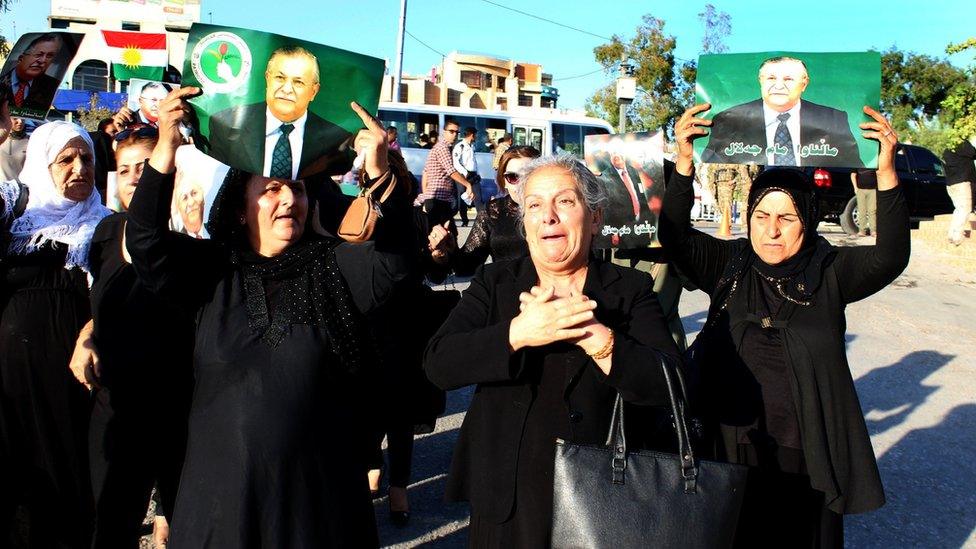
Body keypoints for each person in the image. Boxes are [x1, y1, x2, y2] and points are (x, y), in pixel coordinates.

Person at [125, 86, 413, 547]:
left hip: (318, 508)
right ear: (240, 208)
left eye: (296, 189)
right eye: (272, 189)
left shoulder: (335, 265)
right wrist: (164, 150)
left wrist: (379, 177)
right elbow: (145, 244)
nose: (287, 199)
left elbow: (395, 265)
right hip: (223, 504)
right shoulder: (212, 270)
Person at [660, 103, 908, 547]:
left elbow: (890, 256)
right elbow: (674, 236)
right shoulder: (728, 263)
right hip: (729, 445)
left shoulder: (830, 271)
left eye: (787, 217)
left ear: (808, 222)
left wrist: (886, 172)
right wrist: (683, 161)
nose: (771, 230)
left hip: (806, 450)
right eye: (761, 216)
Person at [424, 153, 680, 546]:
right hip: (507, 500)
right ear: (524, 223)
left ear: (594, 218)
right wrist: (518, 332)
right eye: (535, 205)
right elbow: (439, 363)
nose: (549, 216)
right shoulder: (495, 282)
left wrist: (595, 335)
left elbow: (669, 383)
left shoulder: (629, 289)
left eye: (565, 201)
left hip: (602, 499)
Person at [0, 117, 111, 548]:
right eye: (65, 159)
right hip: (10, 384)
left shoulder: (104, 227)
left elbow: (116, 293)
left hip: (69, 384)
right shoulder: (15, 224)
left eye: (87, 157)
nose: (80, 167)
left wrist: (90, 329)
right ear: (41, 166)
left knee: (66, 485)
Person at [86, 126, 195, 549]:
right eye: (124, 168)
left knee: (191, 521)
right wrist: (87, 334)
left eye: (144, 166)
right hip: (117, 406)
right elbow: (99, 299)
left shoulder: (192, 235)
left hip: (181, 406)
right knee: (111, 523)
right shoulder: (105, 232)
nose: (134, 177)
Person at [208, 45, 349, 179]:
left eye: (298, 82)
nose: (287, 89)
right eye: (280, 78)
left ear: (313, 91)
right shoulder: (224, 124)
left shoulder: (338, 141)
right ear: (267, 79)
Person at [701, 56, 863, 168]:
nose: (779, 86)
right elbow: (708, 164)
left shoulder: (833, 120)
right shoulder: (729, 121)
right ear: (761, 81)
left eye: (788, 79)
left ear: (804, 84)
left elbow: (856, 167)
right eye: (771, 78)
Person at [428, 145, 539, 277]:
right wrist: (444, 251)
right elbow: (465, 266)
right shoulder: (493, 212)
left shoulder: (558, 212)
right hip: (504, 293)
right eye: (513, 177)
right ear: (504, 181)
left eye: (529, 176)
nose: (522, 184)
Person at [414, 120, 472, 227]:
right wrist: (467, 184)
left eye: (457, 132)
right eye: (451, 131)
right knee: (442, 235)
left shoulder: (440, 148)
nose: (454, 135)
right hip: (438, 200)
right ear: (444, 132)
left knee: (444, 234)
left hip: (438, 199)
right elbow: (451, 171)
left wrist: (427, 194)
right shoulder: (442, 148)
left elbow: (425, 173)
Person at [0, 33, 63, 113]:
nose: (42, 61)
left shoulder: (51, 85)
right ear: (21, 58)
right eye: (38, 55)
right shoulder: (2, 82)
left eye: (49, 56)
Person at [942, 138, 976, 246]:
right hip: (962, 182)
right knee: (965, 209)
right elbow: (974, 153)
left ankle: (952, 235)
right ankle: (956, 237)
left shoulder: (947, 149)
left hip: (951, 184)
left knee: (959, 209)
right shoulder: (961, 144)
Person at [453, 126, 482, 224]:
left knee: (478, 197)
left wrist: (476, 172)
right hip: (463, 175)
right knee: (463, 197)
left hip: (473, 175)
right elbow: (456, 162)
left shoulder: (472, 146)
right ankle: (464, 220)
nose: (476, 137)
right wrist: (465, 173)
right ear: (472, 135)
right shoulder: (460, 146)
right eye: (475, 135)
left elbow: (473, 162)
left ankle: (481, 219)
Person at [851, 169, 878, 237]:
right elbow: (853, 175)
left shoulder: (873, 164)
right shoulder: (858, 163)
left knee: (872, 211)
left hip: (873, 190)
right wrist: (855, 188)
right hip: (860, 190)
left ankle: (873, 231)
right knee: (861, 210)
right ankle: (862, 231)